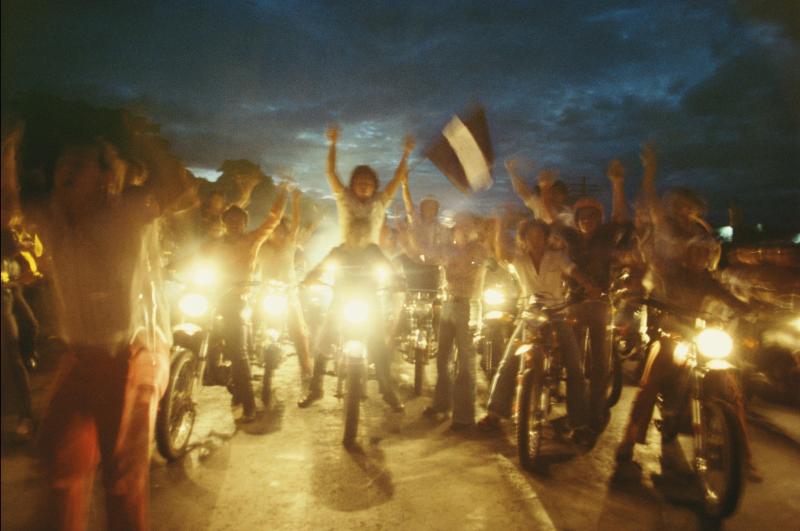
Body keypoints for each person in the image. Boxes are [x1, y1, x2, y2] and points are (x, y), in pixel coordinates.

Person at [15, 129, 193, 530]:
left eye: (80, 163)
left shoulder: (129, 209)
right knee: (58, 462)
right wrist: (9, 150)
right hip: (80, 356)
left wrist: (142, 133)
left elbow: (177, 186)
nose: (67, 168)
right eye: (63, 161)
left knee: (121, 477)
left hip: (133, 354)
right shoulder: (53, 214)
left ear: (107, 177)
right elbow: (9, 203)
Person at [476, 218, 600, 441]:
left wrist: (590, 286)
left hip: (557, 314)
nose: (536, 240)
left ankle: (579, 423)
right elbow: (501, 253)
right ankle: (494, 414)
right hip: (530, 316)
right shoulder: (519, 260)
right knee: (508, 362)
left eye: (540, 236)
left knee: (574, 365)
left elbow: (574, 272)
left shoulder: (557, 257)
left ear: (546, 238)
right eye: (531, 236)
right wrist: (499, 227)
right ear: (524, 240)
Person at [555, 159, 630, 431]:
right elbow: (550, 219)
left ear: (599, 219)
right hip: (573, 304)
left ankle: (596, 414)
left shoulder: (607, 235)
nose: (588, 221)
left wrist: (617, 183)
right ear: (577, 221)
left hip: (600, 305)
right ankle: (576, 415)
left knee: (600, 365)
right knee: (573, 365)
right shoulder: (570, 238)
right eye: (583, 217)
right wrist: (543, 187)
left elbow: (620, 217)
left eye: (593, 217)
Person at [296, 242, 404, 412]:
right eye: (353, 228)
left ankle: (388, 391)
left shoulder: (373, 251)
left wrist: (398, 281)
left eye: (361, 229)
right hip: (341, 301)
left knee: (379, 346)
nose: (357, 234)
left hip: (369, 302)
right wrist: (310, 277)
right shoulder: (338, 251)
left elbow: (389, 269)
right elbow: (321, 267)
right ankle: (315, 389)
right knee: (324, 340)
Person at [214, 187, 289, 421]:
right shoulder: (215, 244)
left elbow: (272, 220)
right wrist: (173, 266)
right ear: (224, 222)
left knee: (238, 352)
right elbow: (196, 256)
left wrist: (283, 191)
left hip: (239, 299)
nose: (234, 223)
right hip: (214, 297)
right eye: (230, 219)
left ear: (245, 223)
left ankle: (249, 405)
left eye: (239, 220)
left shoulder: (252, 240)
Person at [410, 213, 490, 430]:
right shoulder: (448, 249)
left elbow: (471, 270)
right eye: (459, 228)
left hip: (468, 306)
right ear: (453, 231)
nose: (462, 231)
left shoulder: (479, 250)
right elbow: (422, 251)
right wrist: (408, 227)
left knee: (466, 362)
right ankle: (441, 404)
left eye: (467, 227)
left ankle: (464, 416)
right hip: (448, 305)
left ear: (474, 231)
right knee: (442, 358)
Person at [325, 125, 413, 250]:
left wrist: (406, 153)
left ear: (374, 187)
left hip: (372, 253)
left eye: (368, 184)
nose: (364, 186)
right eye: (360, 182)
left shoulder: (380, 201)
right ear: (353, 185)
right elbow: (330, 173)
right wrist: (332, 143)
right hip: (345, 251)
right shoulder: (344, 197)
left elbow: (397, 178)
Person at [258, 187, 313, 380]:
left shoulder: (290, 245)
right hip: (264, 294)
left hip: (288, 294)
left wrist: (295, 200)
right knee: (247, 321)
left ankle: (306, 367)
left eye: (283, 231)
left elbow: (296, 223)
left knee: (298, 331)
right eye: (276, 231)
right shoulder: (260, 247)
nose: (279, 234)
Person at [506, 159, 573, 226]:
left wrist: (544, 187)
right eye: (551, 192)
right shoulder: (539, 205)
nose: (553, 196)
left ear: (563, 195)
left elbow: (557, 223)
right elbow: (522, 191)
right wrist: (512, 172)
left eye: (557, 193)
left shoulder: (567, 211)